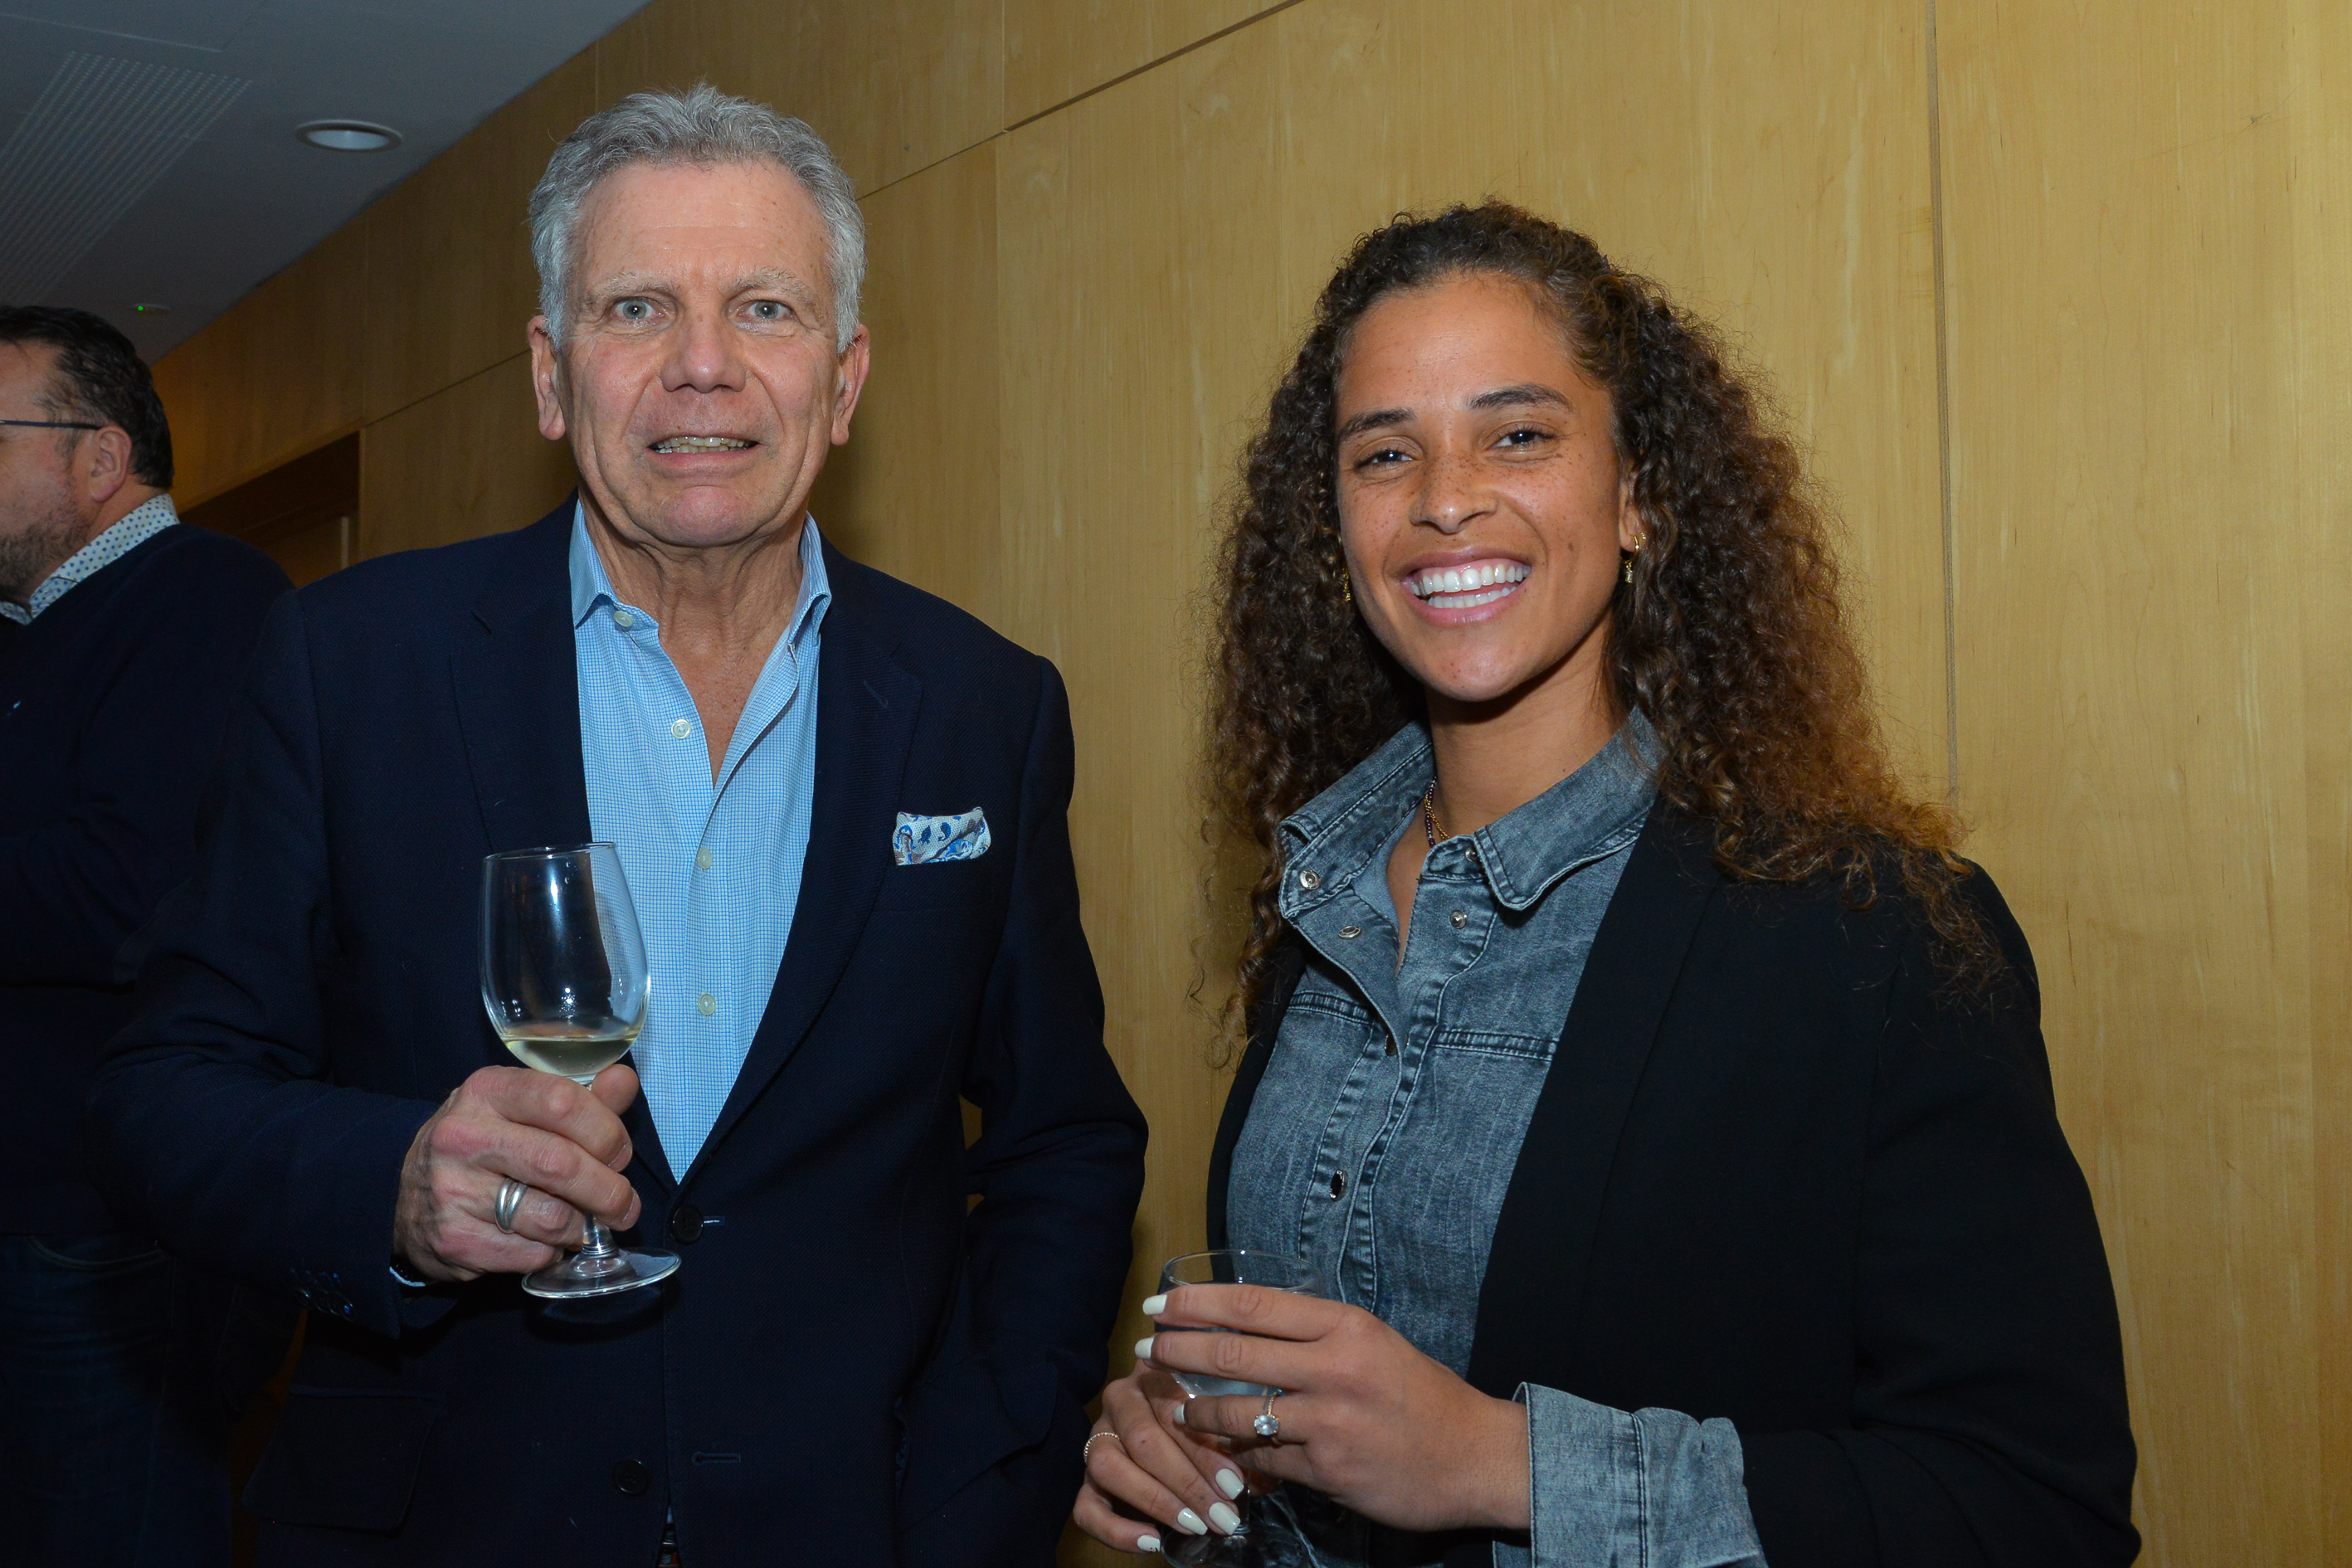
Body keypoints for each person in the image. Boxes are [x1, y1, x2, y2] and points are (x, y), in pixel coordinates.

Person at [90, 85, 1146, 1566]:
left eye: (765, 308)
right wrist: (392, 1184)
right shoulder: (348, 665)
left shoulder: (986, 704)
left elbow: (1063, 1141)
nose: (702, 365)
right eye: (637, 308)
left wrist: (988, 1479)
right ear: (551, 373)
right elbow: (162, 1091)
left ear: (844, 381)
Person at [1072, 205, 2139, 1567]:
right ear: (1333, 529)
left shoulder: (1871, 940)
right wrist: (1198, 1439)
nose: (1445, 496)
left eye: (1518, 434)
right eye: (1384, 452)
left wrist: (1497, 1463)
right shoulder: (1320, 908)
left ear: (1639, 494)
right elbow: (1319, 1411)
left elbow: (2030, 1505)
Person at [0, 305, 293, 1566]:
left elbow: (125, 892)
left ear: (100, 457)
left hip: (106, 1228)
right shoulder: (25, 631)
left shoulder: (206, 595)